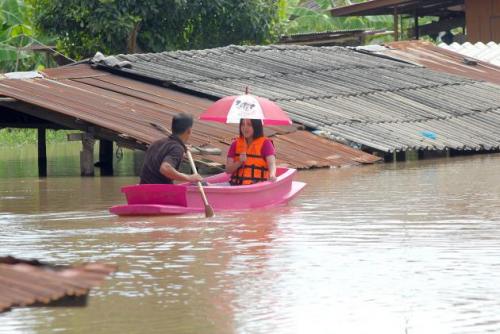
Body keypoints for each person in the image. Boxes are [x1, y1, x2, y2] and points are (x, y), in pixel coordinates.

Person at [139, 113, 203, 184]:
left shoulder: (157, 143)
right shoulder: (177, 148)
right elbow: (165, 168)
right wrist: (189, 177)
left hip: (142, 188)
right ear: (189, 130)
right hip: (159, 191)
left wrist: (183, 148)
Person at [226, 118, 277, 186]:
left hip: (258, 186)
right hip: (235, 185)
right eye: (243, 124)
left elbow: (272, 164)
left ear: (256, 126)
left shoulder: (266, 144)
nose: (245, 128)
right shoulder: (235, 144)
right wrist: (239, 162)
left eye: (249, 125)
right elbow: (228, 170)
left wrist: (272, 175)